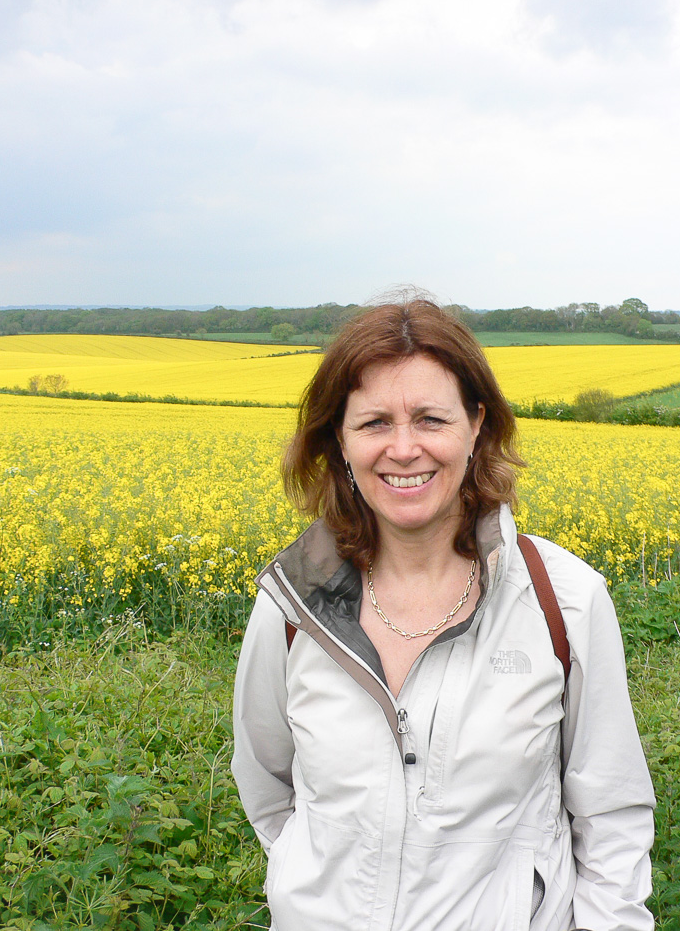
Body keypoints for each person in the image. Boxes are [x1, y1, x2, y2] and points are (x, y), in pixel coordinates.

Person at [231, 298, 656, 931]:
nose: (404, 449)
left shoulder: (563, 599)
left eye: (431, 418)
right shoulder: (293, 604)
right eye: (374, 422)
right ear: (339, 440)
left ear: (476, 425)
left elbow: (611, 816)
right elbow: (269, 792)